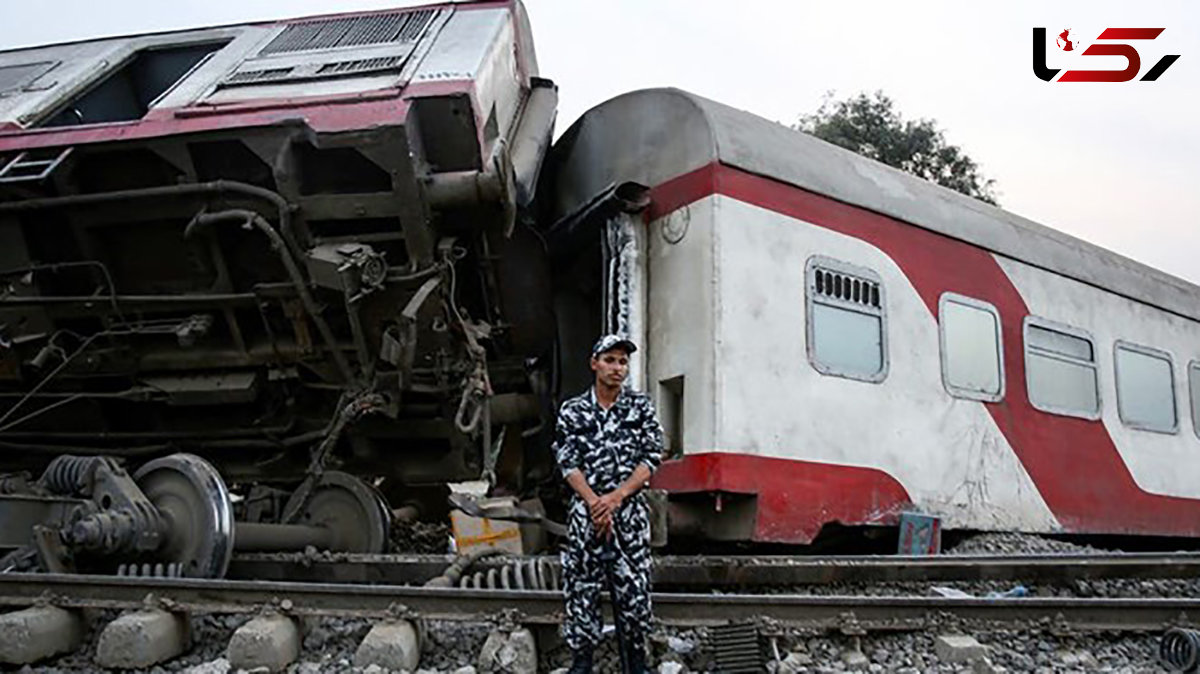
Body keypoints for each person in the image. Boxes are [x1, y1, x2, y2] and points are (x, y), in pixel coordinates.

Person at [553, 334, 664, 673]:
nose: (617, 368)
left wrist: (615, 499)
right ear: (594, 364)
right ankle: (581, 664)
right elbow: (566, 460)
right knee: (581, 588)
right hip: (586, 515)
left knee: (633, 590)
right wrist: (594, 503)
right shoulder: (573, 411)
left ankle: (636, 664)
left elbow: (652, 457)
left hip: (628, 515)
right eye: (610, 360)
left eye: (623, 362)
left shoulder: (640, 408)